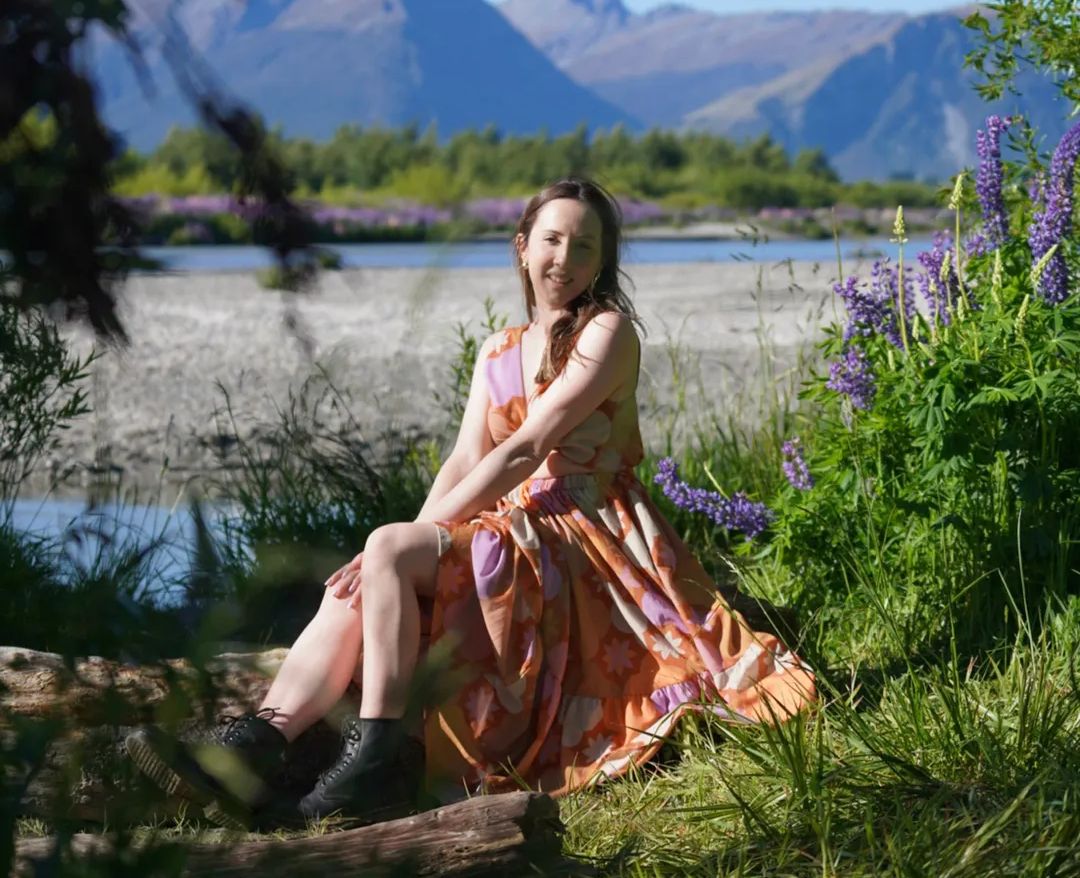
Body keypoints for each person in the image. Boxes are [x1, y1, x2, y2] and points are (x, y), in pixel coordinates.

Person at [127, 178, 814, 827]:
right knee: (365, 577)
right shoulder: (499, 349)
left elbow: (527, 448)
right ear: (522, 244)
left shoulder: (607, 332)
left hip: (588, 539)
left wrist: (400, 543)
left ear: (603, 262)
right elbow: (464, 458)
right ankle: (254, 743)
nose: (563, 259)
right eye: (551, 240)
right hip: (517, 530)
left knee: (388, 551)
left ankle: (378, 762)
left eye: (584, 247)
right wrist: (390, 550)